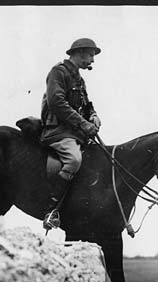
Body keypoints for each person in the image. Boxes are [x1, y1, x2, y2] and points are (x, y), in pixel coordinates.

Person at [40, 38, 102, 230]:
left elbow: (87, 104)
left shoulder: (79, 78)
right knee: (74, 160)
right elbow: (56, 102)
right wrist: (83, 124)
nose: (92, 60)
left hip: (75, 132)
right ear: (79, 53)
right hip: (57, 131)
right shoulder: (58, 72)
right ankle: (51, 211)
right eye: (90, 55)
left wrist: (93, 116)